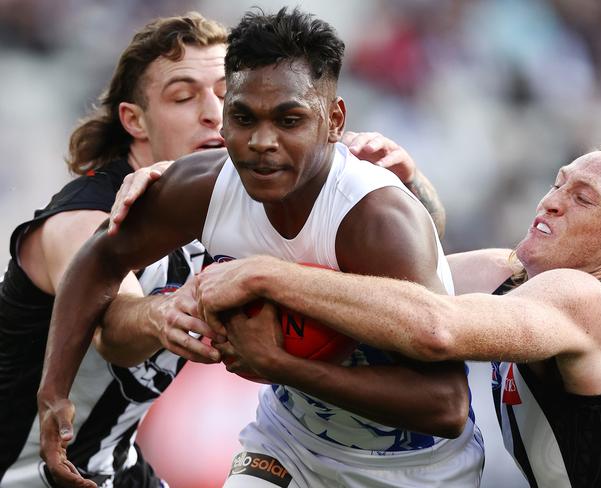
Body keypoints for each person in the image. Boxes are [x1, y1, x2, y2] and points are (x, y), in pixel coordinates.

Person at [38, 7, 484, 488]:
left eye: (289, 119)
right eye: (243, 117)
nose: (261, 142)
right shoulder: (204, 187)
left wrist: (282, 367)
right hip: (285, 444)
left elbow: (447, 405)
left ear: (333, 120)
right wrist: (53, 392)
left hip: (414, 469)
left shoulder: (375, 220)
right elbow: (99, 258)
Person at [175, 144, 601, 487]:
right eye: (558, 181)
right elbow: (408, 285)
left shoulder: (585, 300)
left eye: (583, 198)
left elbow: (436, 328)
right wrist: (401, 192)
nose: (552, 200)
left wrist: (268, 276)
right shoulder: (515, 274)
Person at [0, 12, 229, 487]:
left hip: (112, 463)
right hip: (27, 473)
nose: (214, 112)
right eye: (184, 96)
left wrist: (407, 183)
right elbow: (116, 332)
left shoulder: (229, 206)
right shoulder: (82, 219)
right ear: (134, 120)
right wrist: (161, 315)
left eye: (228, 95)